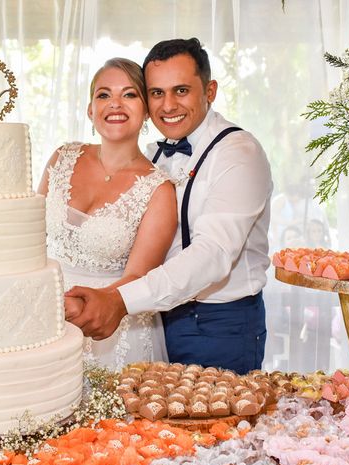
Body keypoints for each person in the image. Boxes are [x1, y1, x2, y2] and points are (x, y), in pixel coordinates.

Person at [67, 38, 273, 374]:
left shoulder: (239, 153)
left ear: (210, 91)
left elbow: (214, 253)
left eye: (181, 91)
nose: (168, 105)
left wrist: (120, 300)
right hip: (154, 320)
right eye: (157, 93)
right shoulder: (151, 156)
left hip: (217, 325)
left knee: (218, 424)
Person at [37, 58, 178, 371]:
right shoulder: (62, 157)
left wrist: (79, 307)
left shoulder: (159, 189)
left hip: (113, 331)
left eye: (129, 95)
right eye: (104, 95)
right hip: (45, 317)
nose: (115, 103)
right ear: (90, 109)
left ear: (146, 112)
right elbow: (29, 235)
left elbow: (138, 277)